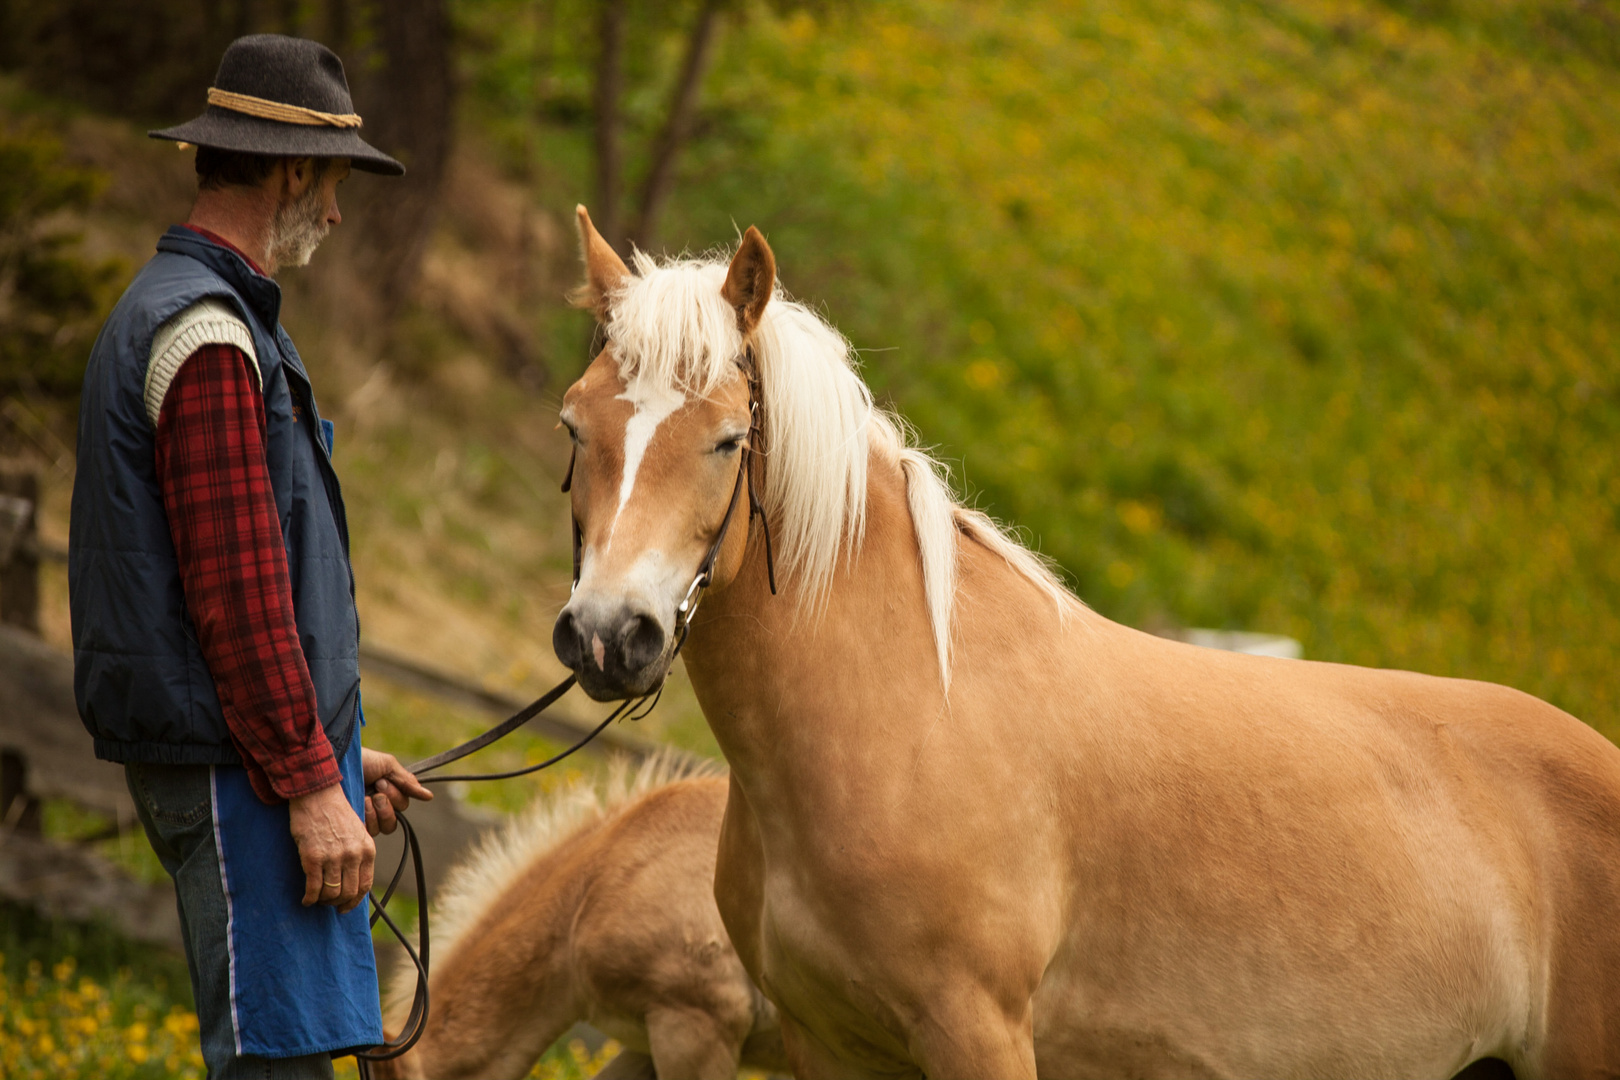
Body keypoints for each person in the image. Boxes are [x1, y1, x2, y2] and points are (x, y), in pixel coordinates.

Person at [69, 34, 432, 1079]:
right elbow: (236, 597)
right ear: (287, 170)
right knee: (276, 1066)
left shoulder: (191, 316)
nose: (334, 211)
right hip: (244, 783)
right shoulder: (211, 339)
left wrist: (328, 751)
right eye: (329, 183)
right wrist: (310, 786)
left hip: (254, 765)